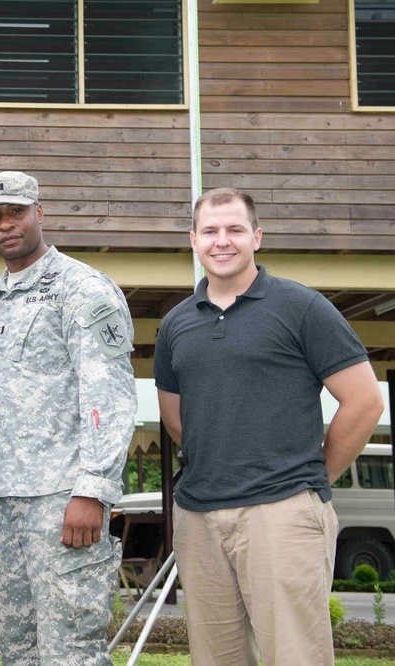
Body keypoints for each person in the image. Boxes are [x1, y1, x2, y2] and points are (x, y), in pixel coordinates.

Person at [154, 187, 385, 666]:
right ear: (193, 240)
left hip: (282, 512)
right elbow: (178, 418)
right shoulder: (176, 324)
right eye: (211, 231)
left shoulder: (301, 307)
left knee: (294, 656)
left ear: (256, 237)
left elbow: (363, 402)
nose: (223, 241)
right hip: (199, 519)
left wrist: (312, 476)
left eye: (235, 230)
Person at [0, 172, 136, 665]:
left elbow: (108, 391)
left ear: (39, 213)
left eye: (16, 212)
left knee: (72, 651)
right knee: (17, 649)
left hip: (63, 499)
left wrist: (92, 488)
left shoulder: (84, 288)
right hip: (2, 504)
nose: (6, 225)